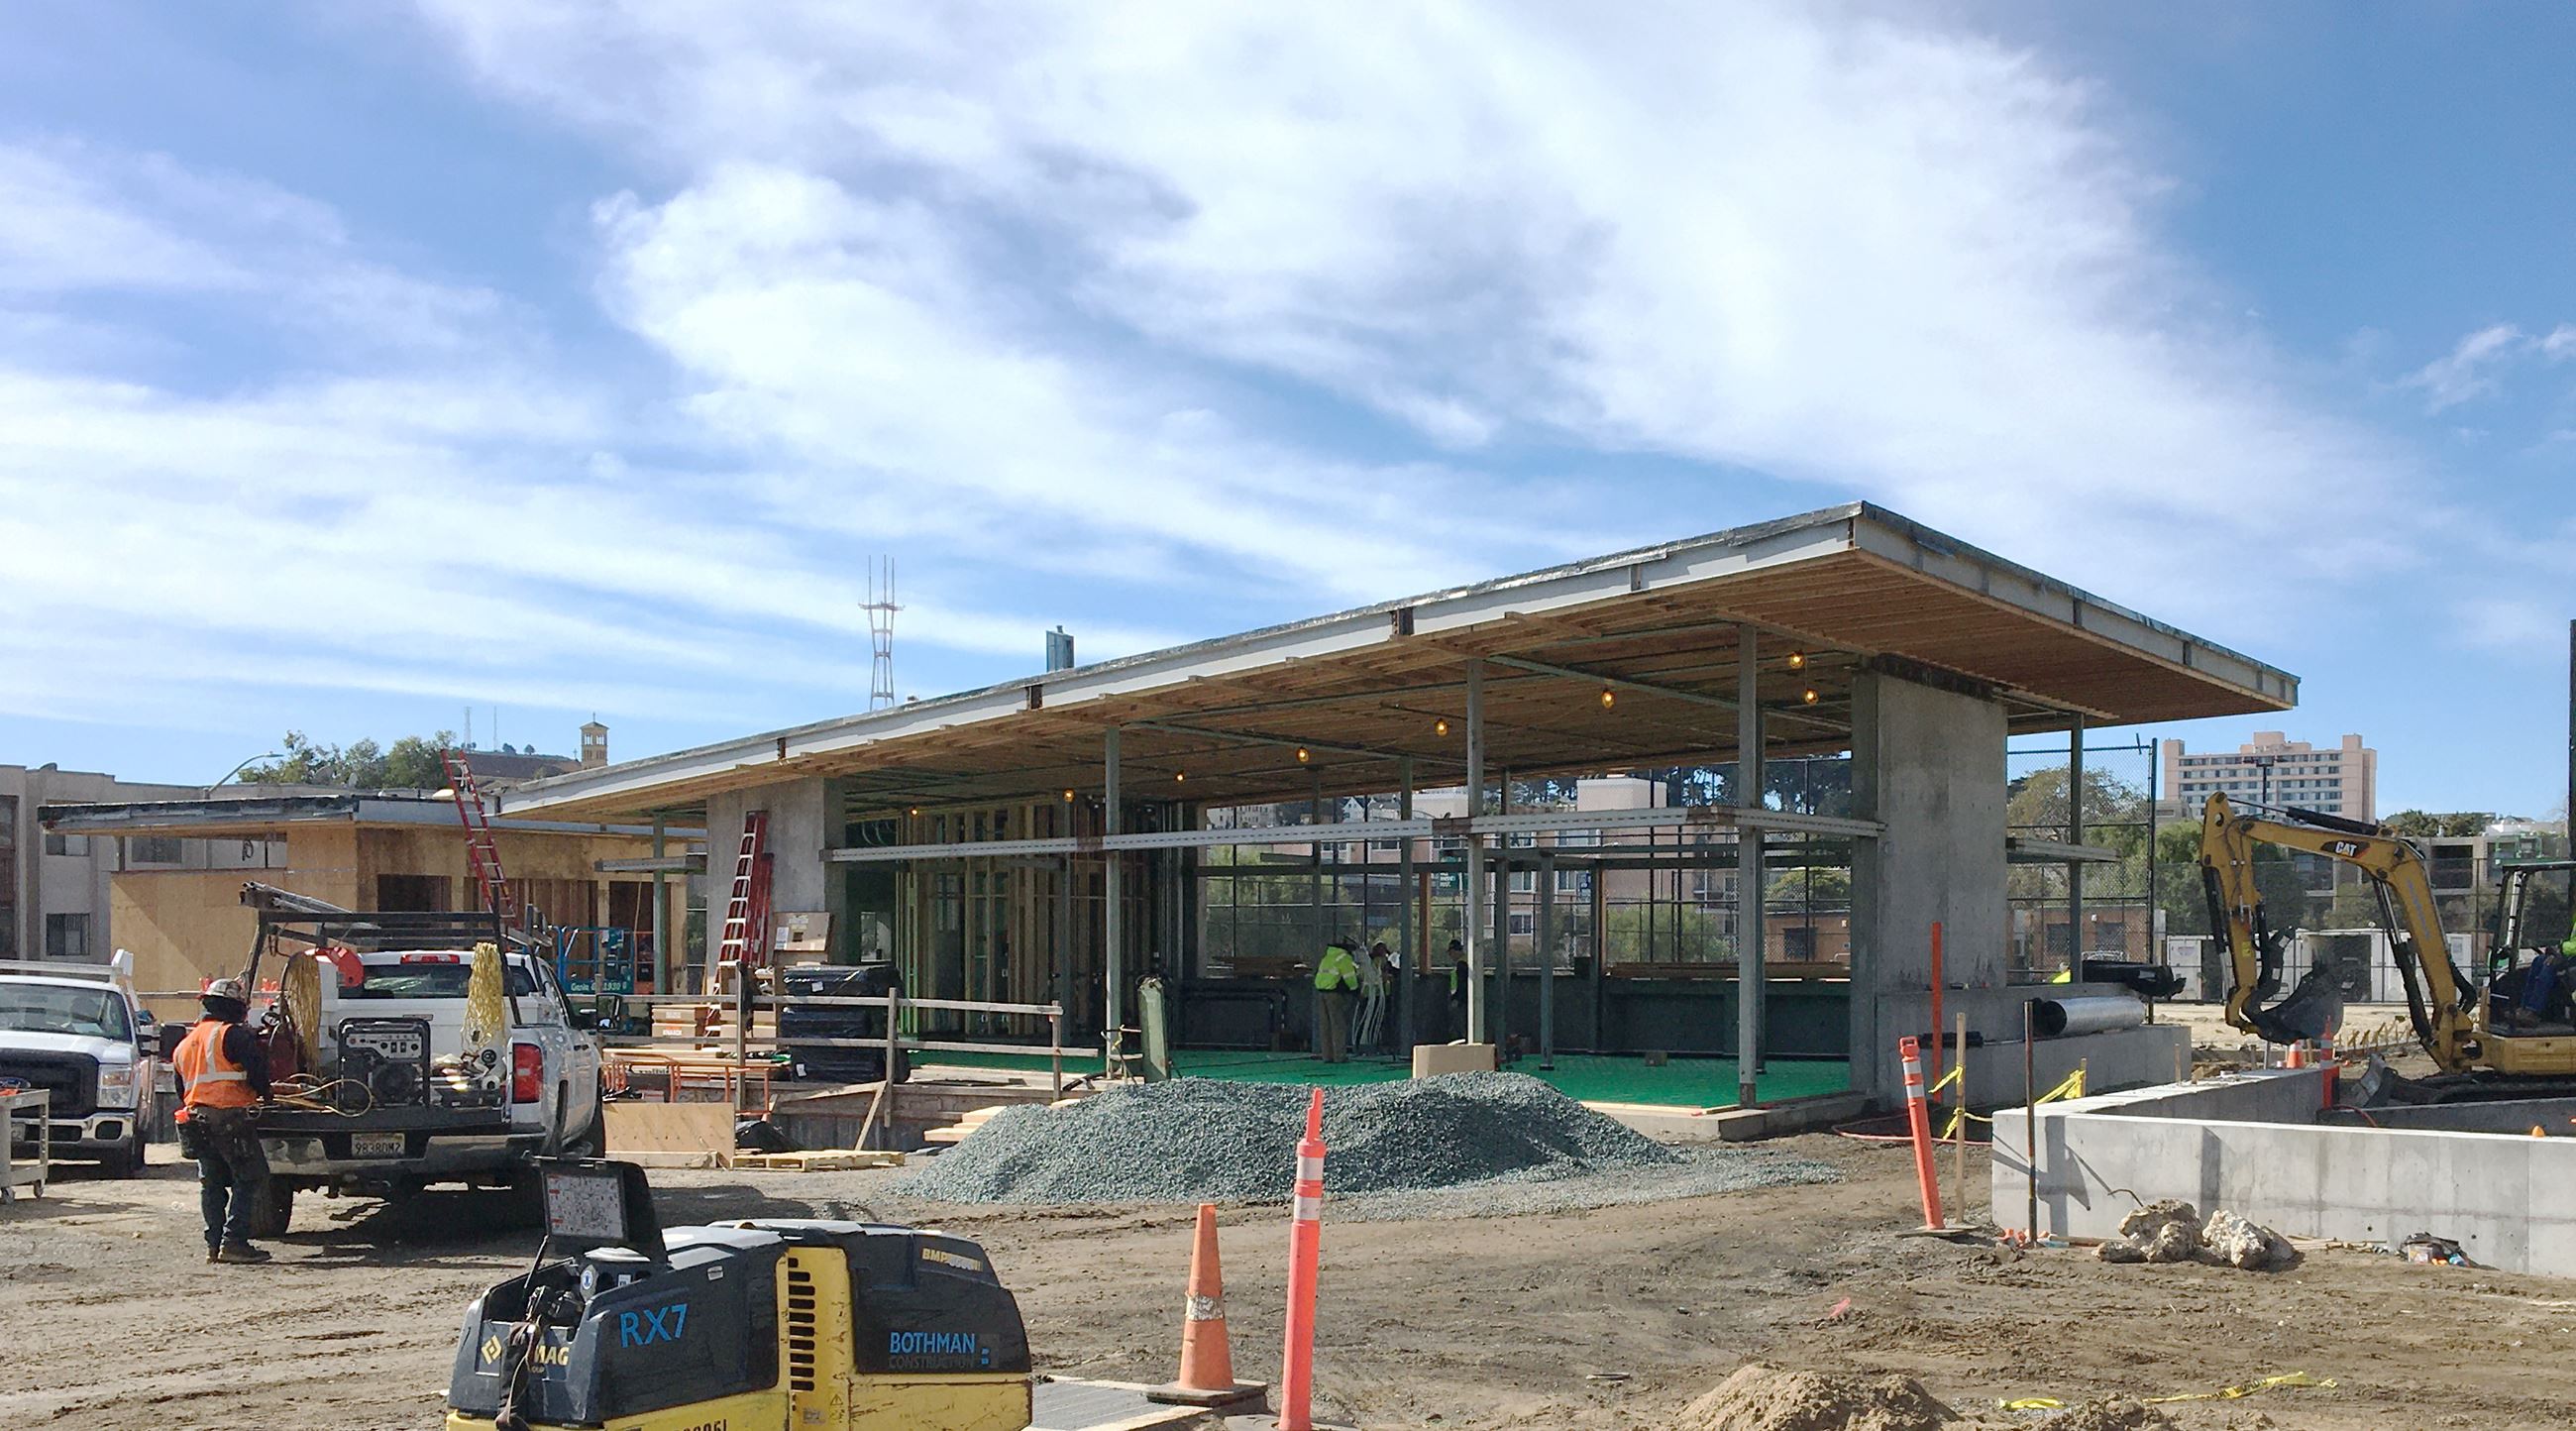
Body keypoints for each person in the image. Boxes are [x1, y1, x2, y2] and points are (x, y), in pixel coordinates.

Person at [172, 977, 274, 1264]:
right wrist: (266, 1095)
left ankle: (213, 1244)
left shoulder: (185, 1043)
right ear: (235, 1008)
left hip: (196, 1120)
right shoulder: (233, 1035)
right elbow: (258, 1072)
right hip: (230, 1119)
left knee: (212, 1183)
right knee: (249, 1176)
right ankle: (235, 1241)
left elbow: (182, 1090)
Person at [1313, 937, 1361, 1063]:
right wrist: (1355, 989)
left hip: (1322, 993)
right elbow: (1349, 977)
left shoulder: (1327, 957)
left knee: (1325, 1026)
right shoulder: (1344, 958)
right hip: (1335, 994)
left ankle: (1327, 1056)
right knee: (1338, 1025)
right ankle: (1339, 1056)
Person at [1353, 940, 1391, 1051]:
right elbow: (1381, 977)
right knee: (1377, 1022)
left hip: (1367, 994)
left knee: (1366, 1020)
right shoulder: (1379, 962)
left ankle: (1361, 1045)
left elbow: (1360, 975)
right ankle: (1375, 1045)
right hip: (1378, 995)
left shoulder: (1366, 963)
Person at [1446, 937, 1469, 1041]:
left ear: (1455, 951)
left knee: (1459, 1025)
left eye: (1451, 953)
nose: (1450, 956)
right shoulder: (1467, 961)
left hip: (1461, 1001)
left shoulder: (1462, 964)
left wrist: (1457, 999)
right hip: (1463, 1000)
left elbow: (1462, 984)